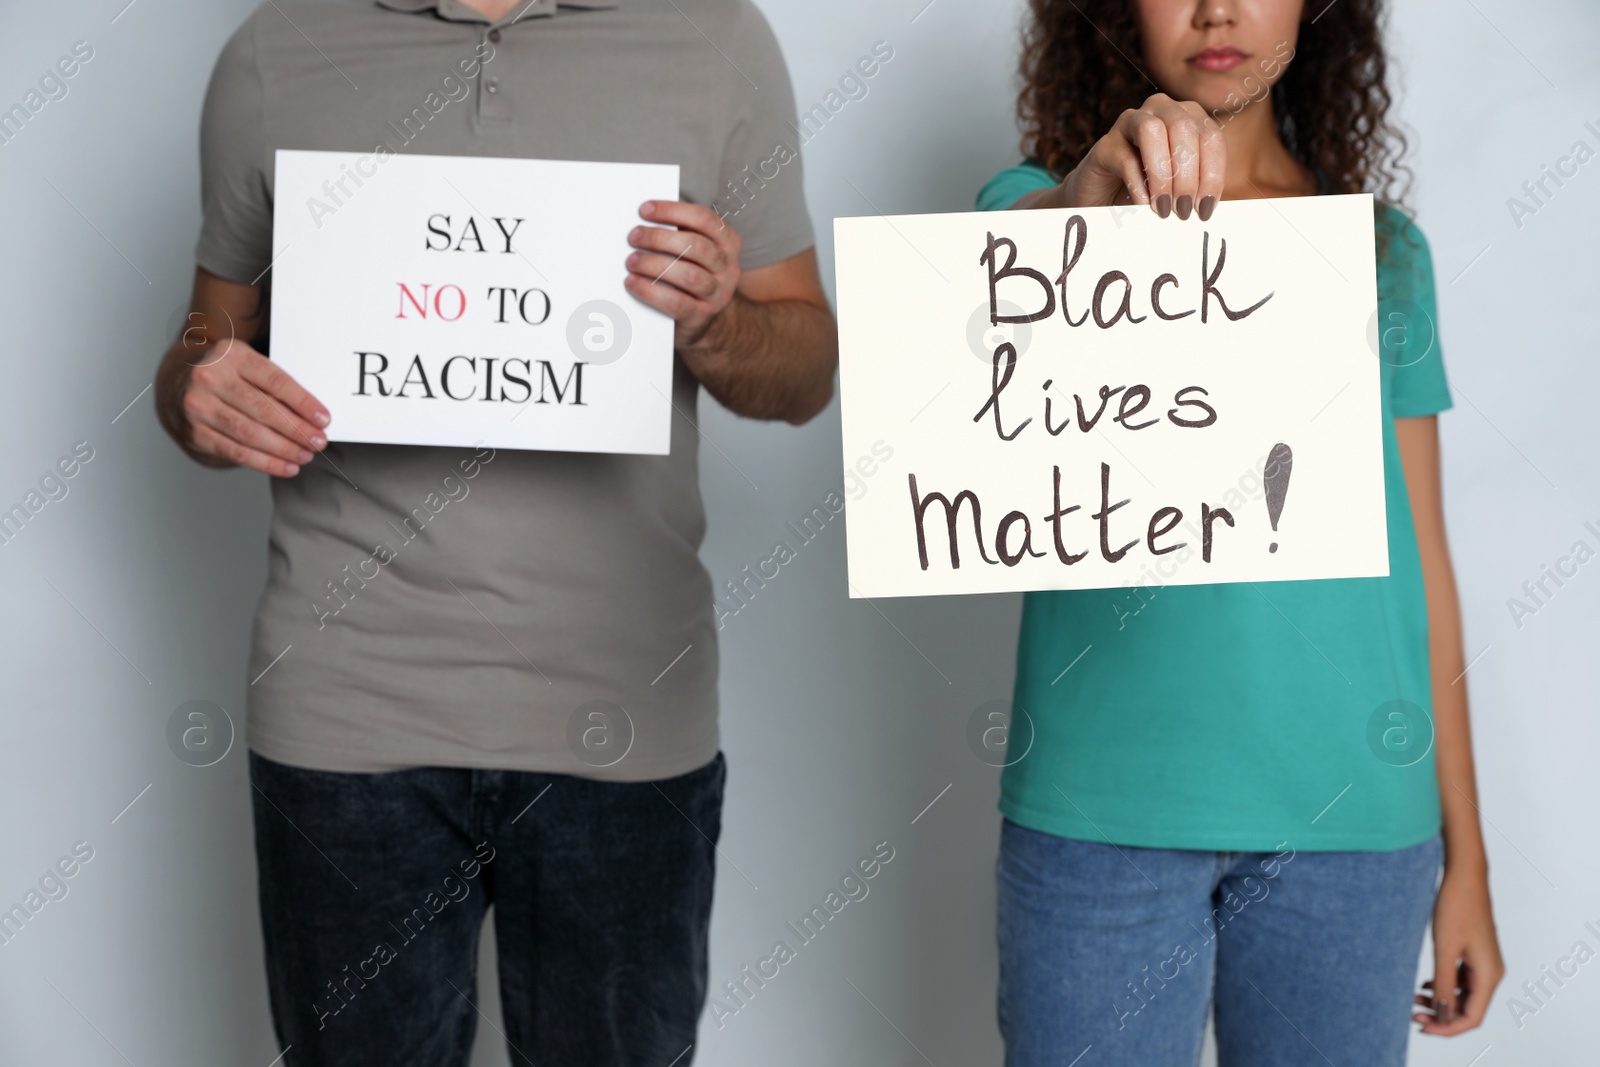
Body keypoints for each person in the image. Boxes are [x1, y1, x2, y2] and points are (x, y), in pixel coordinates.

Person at [154, 1, 836, 1064]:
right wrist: (200, 392)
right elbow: (203, 339)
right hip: (345, 716)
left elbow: (805, 372)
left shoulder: (715, 39)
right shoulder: (273, 50)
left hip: (625, 714)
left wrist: (718, 322)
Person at [977, 1, 1502, 1064]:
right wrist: (1090, 198)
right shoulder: (1028, 210)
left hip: (1353, 823)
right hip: (1100, 811)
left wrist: (1470, 864)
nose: (1217, 7)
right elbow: (1013, 261)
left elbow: (1424, 571)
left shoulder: (1380, 251)